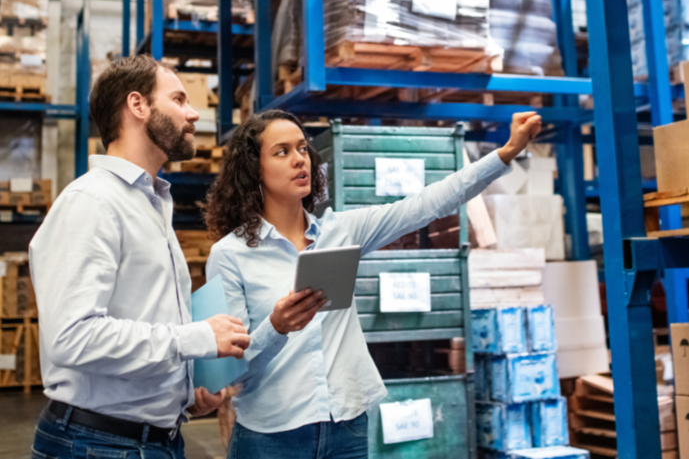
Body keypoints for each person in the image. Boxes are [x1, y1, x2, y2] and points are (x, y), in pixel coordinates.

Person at [204, 109, 542, 459]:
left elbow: (427, 204)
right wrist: (277, 327)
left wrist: (507, 151)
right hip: (271, 438)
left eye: (302, 149)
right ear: (252, 169)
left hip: (346, 428)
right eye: (282, 151)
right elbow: (231, 371)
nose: (299, 160)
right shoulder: (229, 255)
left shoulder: (341, 231)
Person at [29, 55, 250, 459]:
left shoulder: (151, 202)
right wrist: (197, 338)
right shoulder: (92, 202)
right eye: (180, 99)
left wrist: (181, 394)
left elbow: (143, 319)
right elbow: (71, 338)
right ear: (138, 105)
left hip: (153, 439)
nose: (193, 112)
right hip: (97, 445)